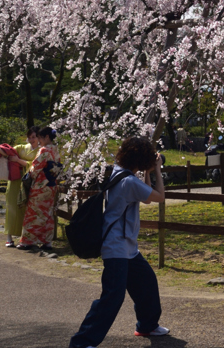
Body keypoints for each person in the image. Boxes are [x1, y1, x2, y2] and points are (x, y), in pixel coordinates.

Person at [70, 136, 168, 348]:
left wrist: (148, 172)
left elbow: (147, 197)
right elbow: (159, 197)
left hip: (127, 246)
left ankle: (147, 325)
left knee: (147, 284)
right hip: (117, 247)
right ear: (141, 159)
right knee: (112, 297)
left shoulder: (118, 172)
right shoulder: (129, 182)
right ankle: (82, 342)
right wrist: (157, 169)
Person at [16, 126, 61, 250]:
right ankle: (47, 241)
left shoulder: (44, 150)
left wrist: (29, 173)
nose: (39, 141)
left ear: (46, 137)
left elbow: (35, 169)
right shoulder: (55, 150)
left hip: (40, 186)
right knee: (47, 213)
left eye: (40, 138)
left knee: (33, 213)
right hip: (51, 185)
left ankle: (28, 241)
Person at [0, 127, 39, 247]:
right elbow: (8, 153)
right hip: (15, 180)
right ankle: (9, 237)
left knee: (26, 209)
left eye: (34, 137)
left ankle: (25, 237)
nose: (31, 139)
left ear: (39, 137)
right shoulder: (22, 147)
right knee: (11, 206)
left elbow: (36, 165)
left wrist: (18, 160)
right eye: (29, 137)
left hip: (30, 182)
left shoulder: (41, 151)